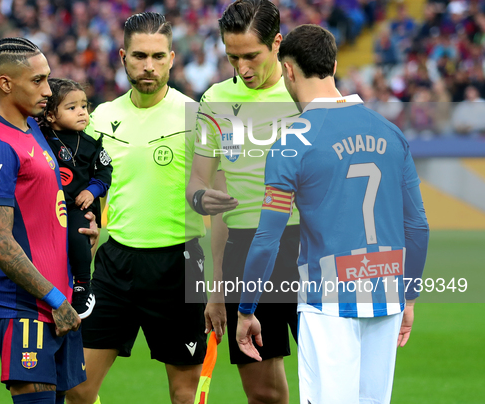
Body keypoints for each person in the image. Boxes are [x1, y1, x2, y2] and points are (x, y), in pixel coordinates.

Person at [236, 25, 430, 404]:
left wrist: (246, 309)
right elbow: (418, 227)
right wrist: (409, 297)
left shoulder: (291, 144)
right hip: (386, 294)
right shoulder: (390, 133)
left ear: (288, 71)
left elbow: (267, 239)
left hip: (327, 303)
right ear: (335, 64)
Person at [66, 12, 207, 404]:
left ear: (173, 59)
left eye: (158, 57)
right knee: (77, 388)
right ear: (124, 56)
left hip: (181, 261)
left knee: (184, 394)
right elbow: (82, 192)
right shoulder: (100, 119)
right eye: (140, 56)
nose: (149, 66)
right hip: (116, 262)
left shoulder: (197, 116)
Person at [0, 37, 96, 404]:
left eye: (48, 78)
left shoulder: (34, 129)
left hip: (60, 301)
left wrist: (83, 231)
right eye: (37, 80)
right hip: (26, 305)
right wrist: (55, 299)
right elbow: (1, 243)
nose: (47, 89)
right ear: (6, 83)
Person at [186, 1, 300, 402]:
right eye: (233, 57)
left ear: (277, 44)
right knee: (264, 395)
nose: (243, 68)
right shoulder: (215, 100)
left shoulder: (304, 95)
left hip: (308, 248)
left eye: (252, 56)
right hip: (244, 248)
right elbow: (203, 182)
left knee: (332, 383)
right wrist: (217, 287)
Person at [39, 78, 113, 318]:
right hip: (46, 208)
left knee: (78, 237)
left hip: (76, 208)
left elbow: (104, 172)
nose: (82, 112)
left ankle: (82, 286)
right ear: (50, 115)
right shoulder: (38, 138)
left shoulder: (92, 145)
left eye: (84, 106)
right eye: (72, 108)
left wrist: (92, 190)